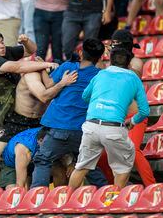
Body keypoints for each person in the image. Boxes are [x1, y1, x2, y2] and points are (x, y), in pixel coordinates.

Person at [0, 55, 78, 189]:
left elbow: (51, 85)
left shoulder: (51, 77)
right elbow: (44, 96)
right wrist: (62, 82)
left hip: (38, 123)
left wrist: (59, 79)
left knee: (55, 158)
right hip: (18, 120)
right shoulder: (31, 74)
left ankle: (61, 195)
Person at [0, 30, 58, 188]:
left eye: (2, 41)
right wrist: (46, 64)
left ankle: (18, 195)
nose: (1, 46)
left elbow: (31, 50)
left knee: (30, 157)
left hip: (12, 116)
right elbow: (18, 67)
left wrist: (25, 41)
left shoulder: (5, 52)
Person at [69, 47, 150, 189]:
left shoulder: (100, 74)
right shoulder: (133, 78)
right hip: (114, 128)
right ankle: (114, 204)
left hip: (91, 126)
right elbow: (144, 111)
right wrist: (133, 121)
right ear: (129, 64)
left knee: (81, 167)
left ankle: (65, 203)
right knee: (123, 168)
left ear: (110, 60)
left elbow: (85, 96)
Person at [31, 38, 107, 188]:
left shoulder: (68, 67)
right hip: (83, 130)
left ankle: (37, 196)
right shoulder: (100, 75)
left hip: (59, 127)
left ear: (80, 52)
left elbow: (48, 84)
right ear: (100, 57)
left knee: (43, 159)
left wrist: (41, 67)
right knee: (88, 165)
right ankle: (106, 192)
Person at [96, 29, 156, 187]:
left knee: (134, 152)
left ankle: (152, 187)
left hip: (135, 115)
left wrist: (116, 60)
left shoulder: (135, 62)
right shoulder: (110, 62)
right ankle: (116, 188)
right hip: (116, 116)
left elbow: (132, 77)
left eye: (114, 44)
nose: (111, 47)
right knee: (101, 157)